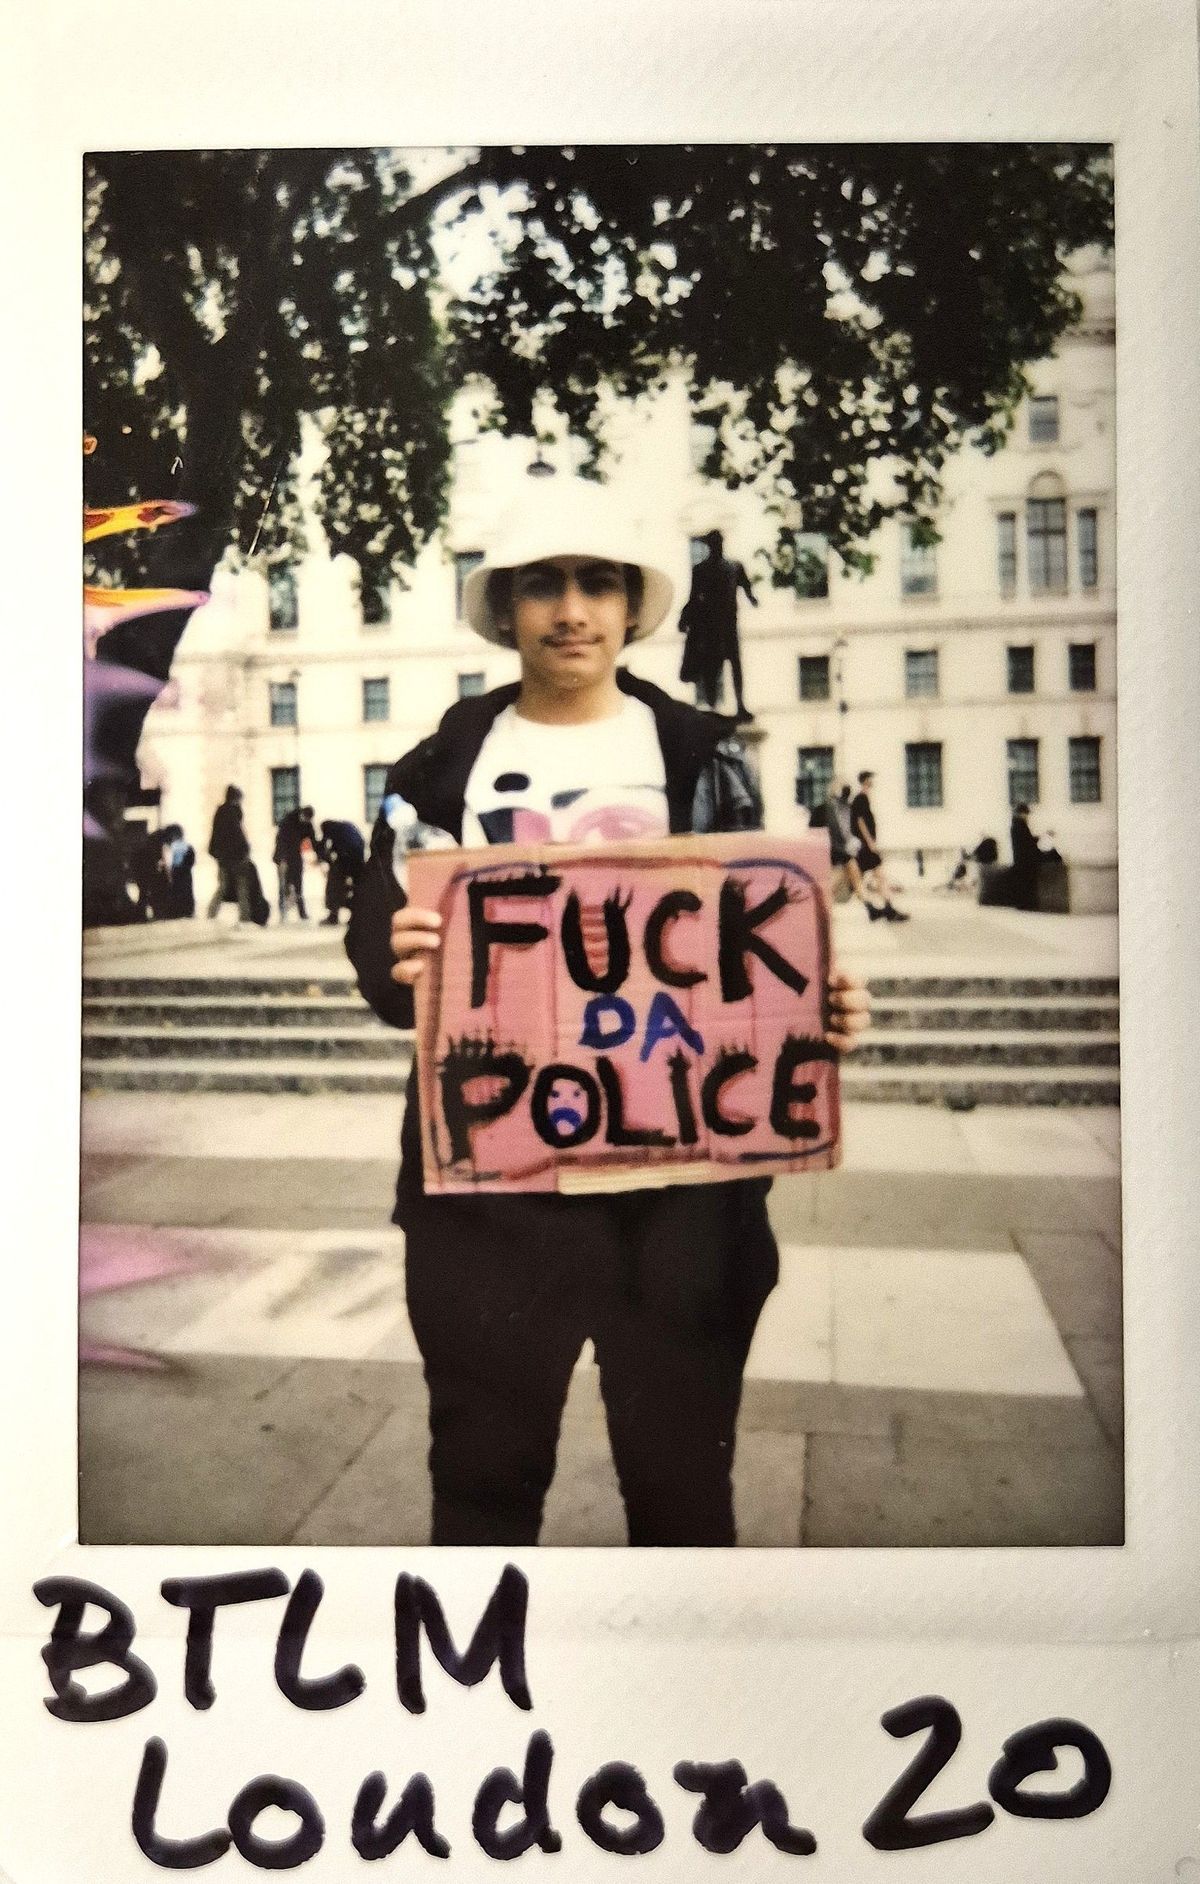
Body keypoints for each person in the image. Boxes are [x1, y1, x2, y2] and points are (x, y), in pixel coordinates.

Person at [346, 475, 870, 1549]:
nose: (571, 610)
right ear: (506, 608)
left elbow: (748, 949)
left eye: (597, 583)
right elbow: (374, 951)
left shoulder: (702, 756)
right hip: (492, 1210)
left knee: (682, 1497)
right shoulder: (439, 769)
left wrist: (811, 1006)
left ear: (633, 605)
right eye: (544, 585)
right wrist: (396, 955)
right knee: (482, 1497)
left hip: (677, 1215)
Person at [678, 528, 757, 720]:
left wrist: (752, 598)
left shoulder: (734, 567)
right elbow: (694, 597)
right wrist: (684, 617)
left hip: (728, 624)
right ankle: (713, 707)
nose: (716, 547)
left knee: (734, 665)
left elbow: (747, 587)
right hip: (711, 626)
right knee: (712, 667)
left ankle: (739, 705)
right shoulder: (702, 570)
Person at [849, 770, 909, 922]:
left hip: (863, 846)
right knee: (878, 876)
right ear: (865, 781)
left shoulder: (862, 798)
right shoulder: (861, 798)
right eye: (870, 779)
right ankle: (887, 910)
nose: (872, 782)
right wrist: (870, 842)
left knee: (868, 878)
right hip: (866, 847)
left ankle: (879, 909)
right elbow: (860, 821)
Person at [206, 785, 254, 921]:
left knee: (223, 885)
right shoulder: (232, 813)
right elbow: (237, 834)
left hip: (222, 856)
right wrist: (245, 850)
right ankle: (245, 915)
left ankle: (211, 912)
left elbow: (217, 835)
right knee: (241, 885)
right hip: (236, 856)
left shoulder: (221, 812)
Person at [273, 804, 318, 920]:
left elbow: (313, 841)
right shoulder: (288, 821)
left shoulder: (307, 824)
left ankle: (302, 912)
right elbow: (280, 840)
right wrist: (282, 860)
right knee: (283, 886)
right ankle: (283, 912)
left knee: (298, 884)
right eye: (305, 818)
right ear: (302, 814)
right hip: (282, 855)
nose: (306, 821)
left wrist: (320, 857)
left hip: (295, 855)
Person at [319, 818, 366, 925]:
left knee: (334, 888)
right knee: (354, 889)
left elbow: (339, 851)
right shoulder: (343, 829)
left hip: (348, 862)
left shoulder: (336, 832)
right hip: (357, 862)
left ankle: (333, 916)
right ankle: (355, 916)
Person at [1009, 802, 1044, 911]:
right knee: (1027, 882)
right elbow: (1027, 841)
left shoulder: (1015, 824)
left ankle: (1022, 904)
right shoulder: (1021, 825)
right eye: (1026, 814)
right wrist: (1039, 838)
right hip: (1025, 859)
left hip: (1019, 858)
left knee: (1021, 882)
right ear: (1022, 813)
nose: (1027, 816)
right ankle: (1027, 904)